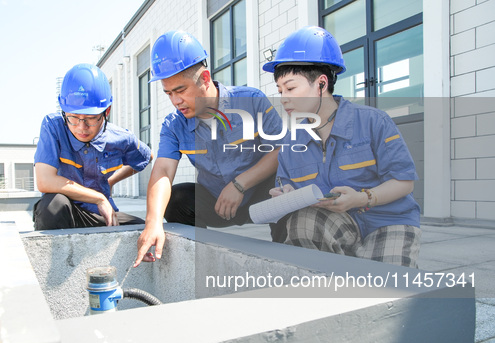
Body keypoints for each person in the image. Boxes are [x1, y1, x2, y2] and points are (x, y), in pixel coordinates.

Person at [263, 26, 421, 268]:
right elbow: (286, 185)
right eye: (280, 90)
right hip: (335, 223)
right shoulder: (292, 142)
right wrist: (285, 195)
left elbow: (404, 181)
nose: (283, 98)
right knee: (302, 222)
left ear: (321, 84)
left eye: (291, 88)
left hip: (386, 221)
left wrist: (361, 198)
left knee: (389, 290)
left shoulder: (373, 122)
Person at [135, 30, 282, 266]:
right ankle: (204, 267)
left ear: (204, 78)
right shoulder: (174, 125)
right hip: (217, 204)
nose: (175, 101)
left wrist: (240, 184)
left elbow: (280, 150)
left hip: (258, 196)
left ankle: (287, 263)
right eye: (168, 93)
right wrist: (153, 222)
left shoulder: (251, 101)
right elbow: (162, 171)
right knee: (178, 199)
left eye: (181, 90)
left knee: (287, 185)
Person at [33, 63, 152, 231]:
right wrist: (99, 198)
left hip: (99, 214)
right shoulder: (53, 127)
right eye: (73, 118)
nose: (81, 127)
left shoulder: (120, 138)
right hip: (67, 212)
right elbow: (45, 181)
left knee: (141, 229)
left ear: (107, 111)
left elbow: (147, 158)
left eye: (91, 118)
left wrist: (111, 181)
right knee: (52, 206)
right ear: (64, 111)